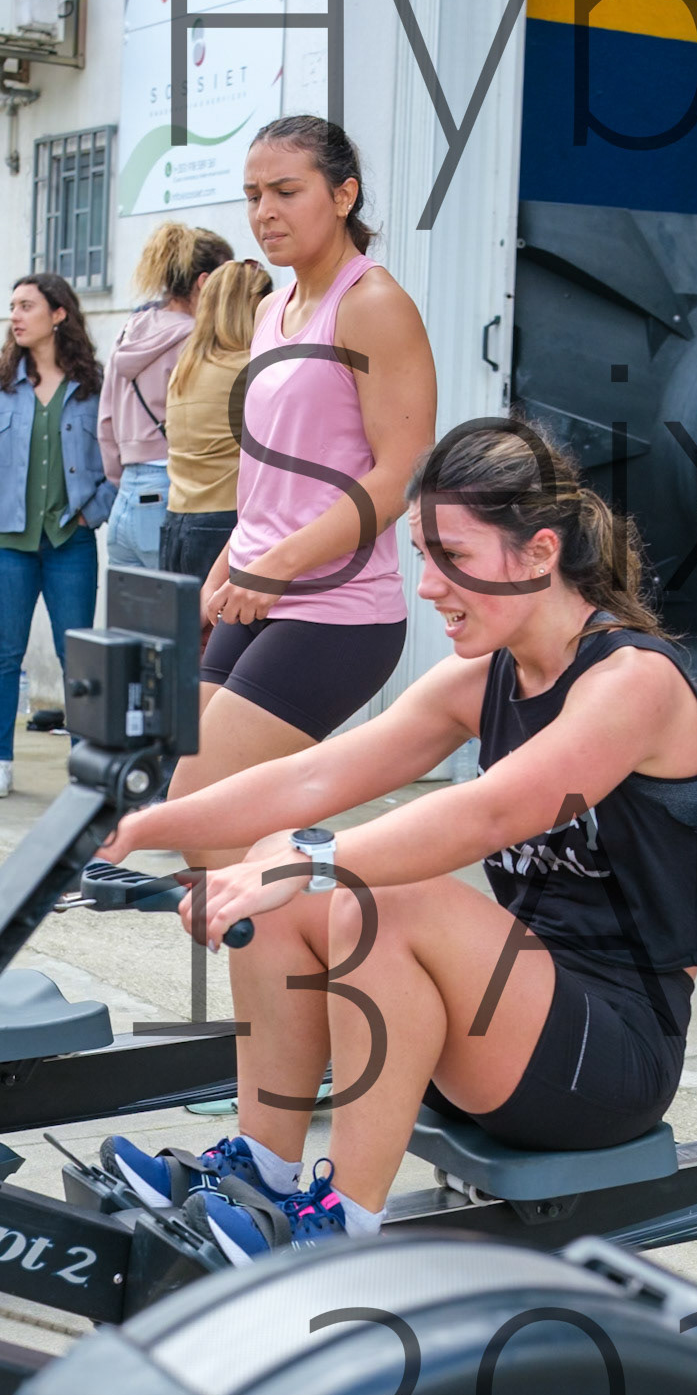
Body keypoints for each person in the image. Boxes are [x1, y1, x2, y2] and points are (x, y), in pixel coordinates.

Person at [96, 419, 697, 1262]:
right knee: (282, 881)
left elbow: (488, 814)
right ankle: (262, 1170)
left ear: (539, 553)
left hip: (608, 1059)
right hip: (499, 1020)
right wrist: (141, 822)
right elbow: (313, 778)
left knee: (381, 899)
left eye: (454, 557)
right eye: (422, 557)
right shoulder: (486, 677)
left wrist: (303, 861)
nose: (429, 587)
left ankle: (339, 1231)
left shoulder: (634, 682)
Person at [168, 115, 437, 870]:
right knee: (209, 824)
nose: (265, 212)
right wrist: (220, 578)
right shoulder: (269, 310)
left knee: (202, 818)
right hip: (253, 591)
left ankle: (350, 915)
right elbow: (270, 481)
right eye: (253, 195)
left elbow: (402, 472)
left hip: (336, 611)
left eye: (287, 191)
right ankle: (301, 924)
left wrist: (276, 566)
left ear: (343, 195)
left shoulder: (373, 304)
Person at [0, 274, 113, 798]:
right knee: (4, 657)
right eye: (13, 307)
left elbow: (118, 456)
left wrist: (94, 512)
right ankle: (0, 762)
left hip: (72, 542)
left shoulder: (93, 385)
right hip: (10, 545)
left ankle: (84, 766)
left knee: (79, 659)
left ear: (59, 313)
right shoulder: (4, 383)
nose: (16, 316)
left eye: (27, 306)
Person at [98, 222, 234, 569]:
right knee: (183, 603)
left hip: (125, 495)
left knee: (130, 605)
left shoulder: (128, 332)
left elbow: (106, 422)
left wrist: (122, 479)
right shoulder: (196, 342)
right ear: (205, 282)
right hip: (172, 491)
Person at [160, 260, 273, 585]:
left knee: (186, 619)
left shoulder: (185, 367)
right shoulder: (250, 368)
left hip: (176, 519)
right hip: (224, 523)